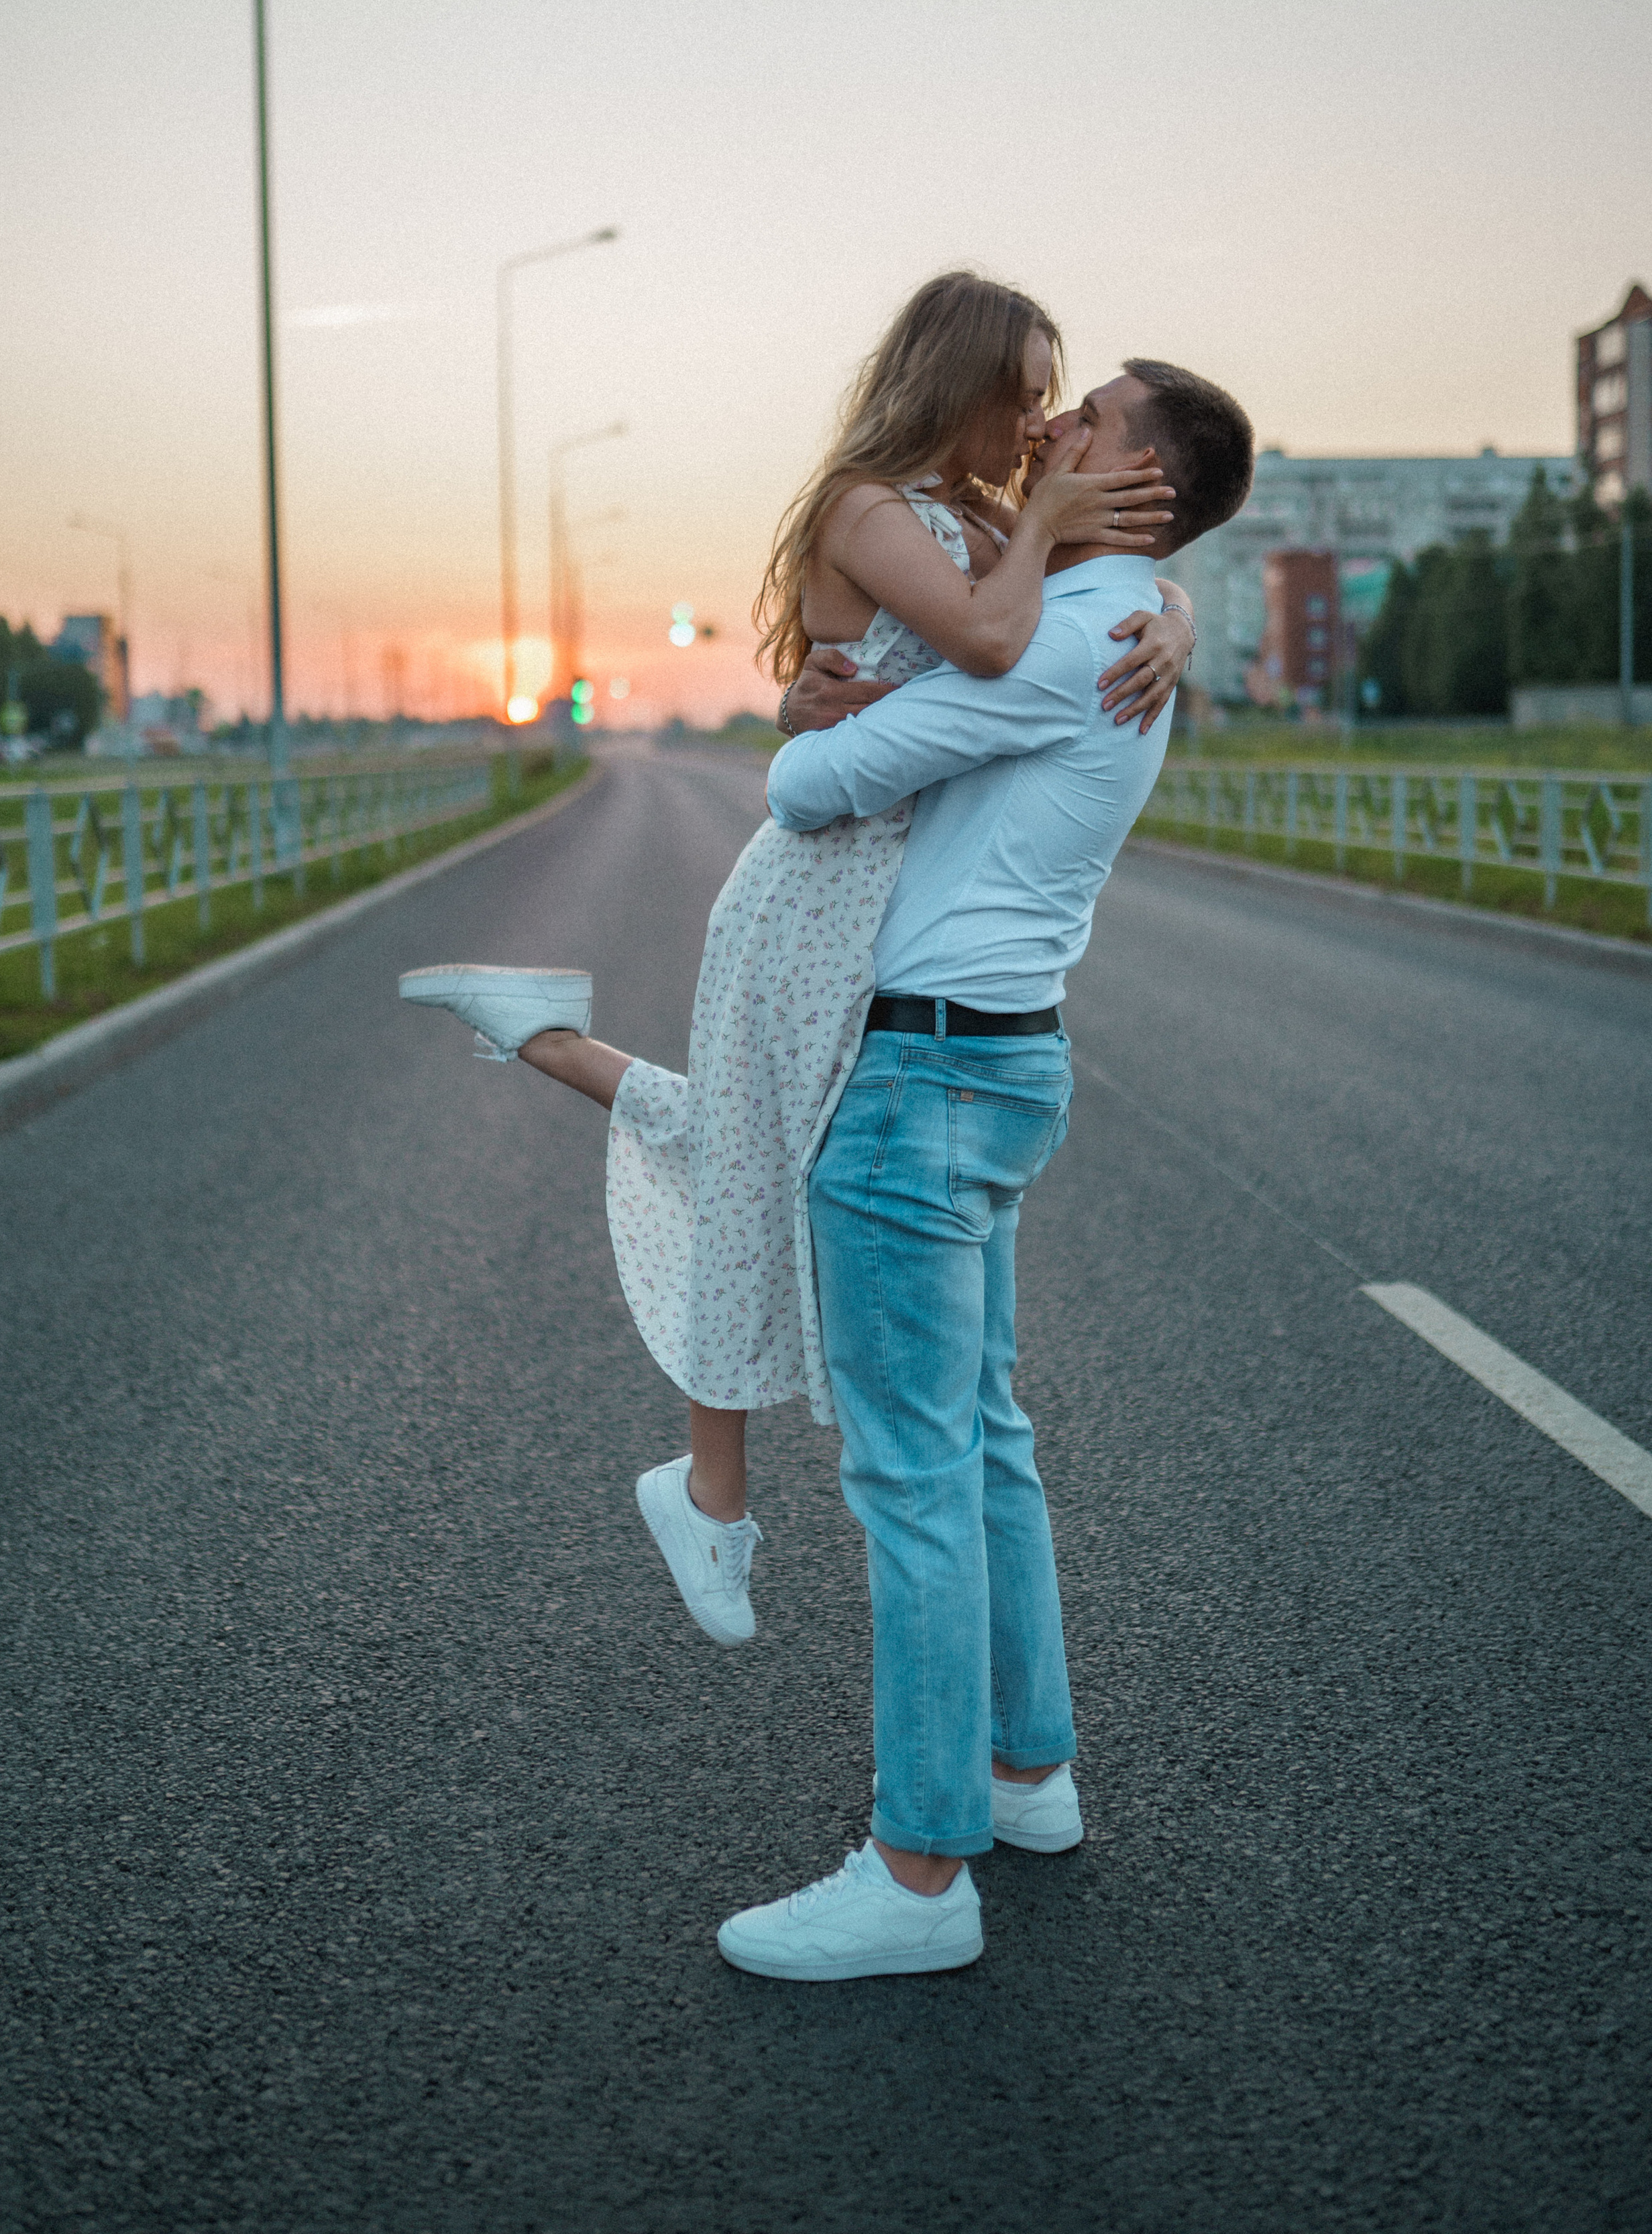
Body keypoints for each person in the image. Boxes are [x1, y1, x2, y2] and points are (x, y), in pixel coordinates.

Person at [398, 273, 1197, 1646]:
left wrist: (1170, 611)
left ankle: (540, 1038)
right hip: (814, 883)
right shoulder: (867, 507)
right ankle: (711, 1494)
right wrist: (1042, 540)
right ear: (954, 379)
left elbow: (1072, 610)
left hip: (875, 879)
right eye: (1021, 383)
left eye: (1055, 392)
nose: (1037, 414)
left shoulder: (994, 518)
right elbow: (1001, 640)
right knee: (749, 1160)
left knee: (746, 1142)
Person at [709, 357, 1255, 1979]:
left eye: (1083, 422)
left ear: (1140, 480)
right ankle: (1026, 1777)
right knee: (984, 1443)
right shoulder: (1118, 621)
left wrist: (818, 719)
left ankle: (918, 1872)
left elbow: (807, 791)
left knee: (914, 1479)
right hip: (997, 1057)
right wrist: (1167, 606)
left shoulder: (1060, 641)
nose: (1047, 434)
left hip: (920, 1076)